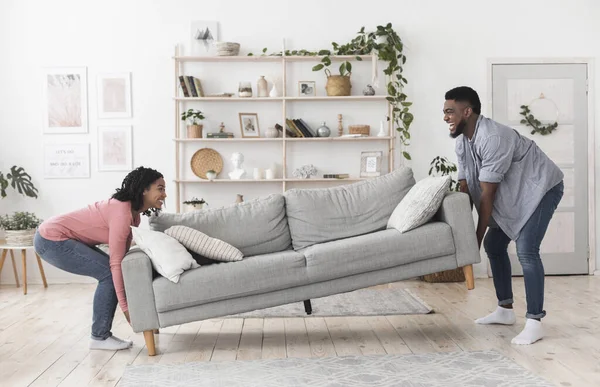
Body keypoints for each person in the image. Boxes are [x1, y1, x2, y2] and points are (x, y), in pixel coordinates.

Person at [443, 86, 564, 345]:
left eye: (450, 111)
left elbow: (487, 195)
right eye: (444, 112)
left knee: (526, 249)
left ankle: (534, 320)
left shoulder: (493, 137)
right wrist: (466, 237)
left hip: (541, 187)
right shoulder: (463, 142)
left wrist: (473, 242)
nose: (445, 117)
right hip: (517, 191)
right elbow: (466, 188)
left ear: (467, 111)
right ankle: (505, 310)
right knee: (495, 245)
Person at [34, 166, 166, 351]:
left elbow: (123, 259)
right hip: (51, 239)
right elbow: (116, 263)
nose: (164, 194)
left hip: (60, 237)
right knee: (108, 274)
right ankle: (99, 336)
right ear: (144, 189)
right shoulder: (122, 213)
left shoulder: (133, 216)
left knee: (110, 272)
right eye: (160, 188)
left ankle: (100, 335)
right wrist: (126, 308)